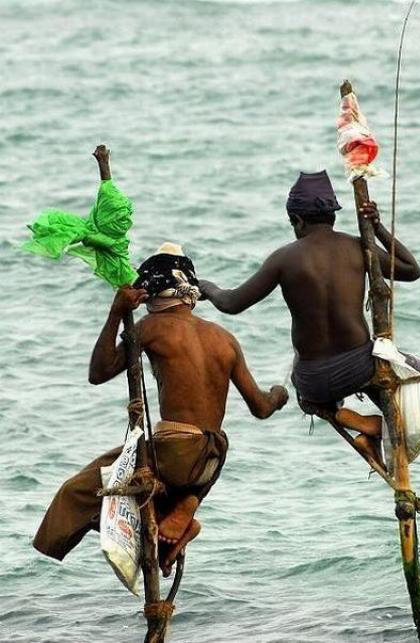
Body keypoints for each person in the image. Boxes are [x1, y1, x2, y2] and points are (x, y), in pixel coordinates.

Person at [33, 149, 288, 576]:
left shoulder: (153, 329)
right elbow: (261, 408)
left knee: (75, 494)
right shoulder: (226, 339)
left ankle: (153, 523)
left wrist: (116, 312)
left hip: (171, 454)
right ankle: (177, 521)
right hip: (209, 462)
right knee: (145, 489)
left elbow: (98, 374)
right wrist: (279, 394)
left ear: (153, 296)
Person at [199, 170, 420, 465]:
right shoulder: (358, 246)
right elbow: (410, 269)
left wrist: (207, 287)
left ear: (298, 221)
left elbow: (231, 303)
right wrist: (377, 228)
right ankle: (378, 428)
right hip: (360, 368)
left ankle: (362, 429)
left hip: (312, 383)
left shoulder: (284, 258)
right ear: (333, 217)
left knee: (301, 378)